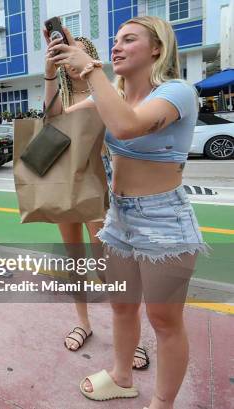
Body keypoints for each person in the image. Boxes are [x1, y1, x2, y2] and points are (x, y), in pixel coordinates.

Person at [48, 16, 208, 408]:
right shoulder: (110, 94)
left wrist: (89, 67)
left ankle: (162, 403)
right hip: (119, 216)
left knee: (165, 321)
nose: (117, 46)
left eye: (129, 39)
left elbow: (126, 126)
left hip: (162, 219)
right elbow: (56, 124)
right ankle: (121, 377)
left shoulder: (177, 92)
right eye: (115, 40)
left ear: (157, 48)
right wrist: (51, 74)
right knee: (121, 305)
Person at [43, 30, 150, 370]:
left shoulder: (108, 89)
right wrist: (48, 73)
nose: (71, 56)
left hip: (99, 180)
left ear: (89, 55)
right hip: (64, 179)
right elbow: (50, 121)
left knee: (107, 263)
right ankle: (83, 322)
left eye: (78, 50)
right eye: (67, 51)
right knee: (74, 258)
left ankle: (134, 337)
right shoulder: (58, 91)